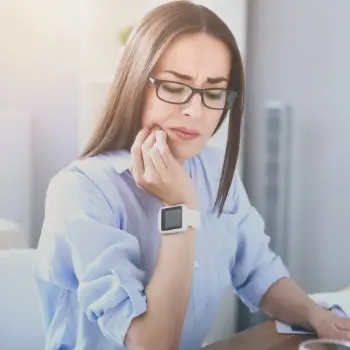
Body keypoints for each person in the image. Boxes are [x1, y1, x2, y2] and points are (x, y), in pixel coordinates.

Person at [34, 1, 350, 349]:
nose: (195, 110)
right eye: (173, 87)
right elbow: (153, 344)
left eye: (214, 92)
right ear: (136, 83)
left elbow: (259, 271)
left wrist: (316, 314)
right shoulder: (82, 191)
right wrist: (180, 208)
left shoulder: (213, 169)